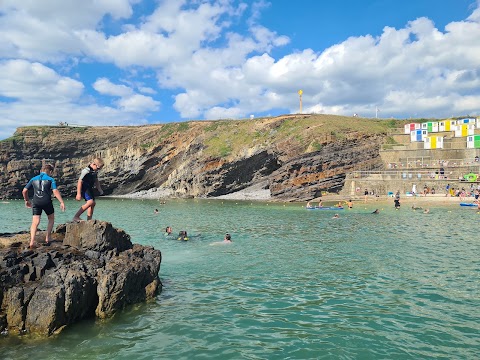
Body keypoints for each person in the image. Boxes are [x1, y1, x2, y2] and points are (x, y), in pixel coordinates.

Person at [22, 164, 65, 248]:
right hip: (46, 201)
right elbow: (55, 191)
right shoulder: (51, 179)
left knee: (35, 222)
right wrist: (61, 202)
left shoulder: (33, 179)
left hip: (36, 201)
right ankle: (48, 238)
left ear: (40, 171)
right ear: (51, 172)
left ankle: (31, 242)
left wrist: (27, 200)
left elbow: (24, 190)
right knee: (51, 218)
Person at [73, 158, 104, 222]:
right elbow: (79, 181)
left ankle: (89, 219)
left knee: (93, 203)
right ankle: (76, 217)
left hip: (90, 188)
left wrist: (100, 189)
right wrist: (78, 193)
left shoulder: (94, 172)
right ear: (94, 164)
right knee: (90, 202)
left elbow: (96, 181)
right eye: (98, 168)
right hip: (84, 188)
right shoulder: (86, 171)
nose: (98, 170)